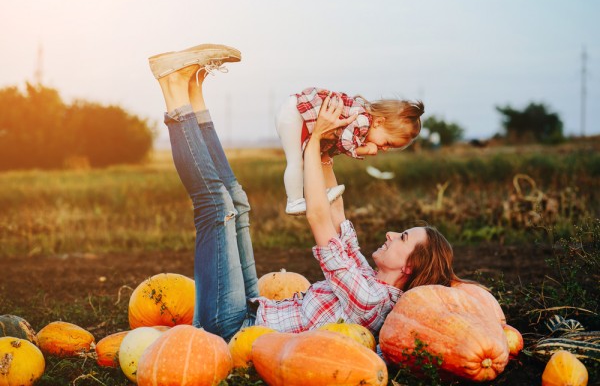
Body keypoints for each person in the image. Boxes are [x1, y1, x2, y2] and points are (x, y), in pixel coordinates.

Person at [149, 44, 461, 342]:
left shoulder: (369, 301)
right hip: (254, 309)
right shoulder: (367, 278)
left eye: (403, 238)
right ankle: (193, 91)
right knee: (238, 202)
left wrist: (313, 143)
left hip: (233, 328)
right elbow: (335, 212)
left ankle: (172, 88)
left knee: (218, 206)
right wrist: (326, 147)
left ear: (409, 267)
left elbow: (318, 217)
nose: (391, 234)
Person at [276, 87, 424, 215]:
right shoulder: (363, 121)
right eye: (387, 143)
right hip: (295, 114)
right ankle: (294, 202)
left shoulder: (362, 122)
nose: (385, 149)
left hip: (296, 114)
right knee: (296, 162)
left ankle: (315, 195)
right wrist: (364, 150)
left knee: (308, 162)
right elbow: (344, 143)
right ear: (379, 122)